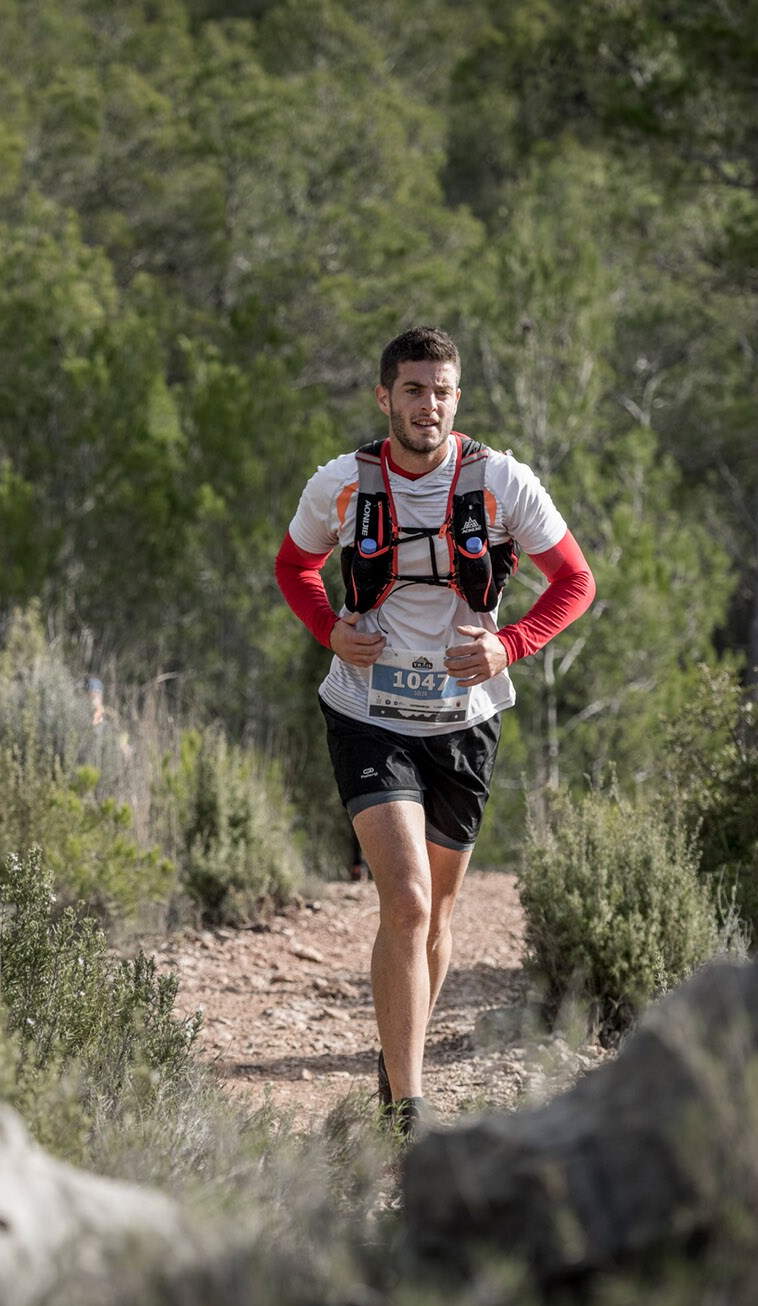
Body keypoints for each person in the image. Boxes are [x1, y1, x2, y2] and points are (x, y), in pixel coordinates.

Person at [273, 326, 595, 1134]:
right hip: (367, 711)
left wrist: (508, 645)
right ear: (385, 397)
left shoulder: (501, 480)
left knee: (440, 920)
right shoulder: (344, 483)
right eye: (414, 390)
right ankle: (409, 1110)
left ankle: (396, 1052)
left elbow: (576, 581)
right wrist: (327, 627)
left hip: (463, 721)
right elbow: (294, 566)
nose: (430, 404)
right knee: (408, 901)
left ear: (459, 396)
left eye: (443, 390)